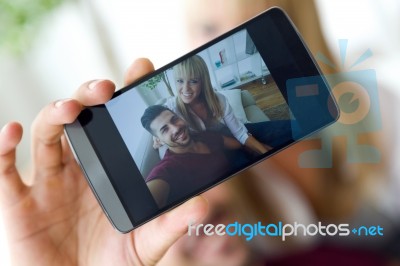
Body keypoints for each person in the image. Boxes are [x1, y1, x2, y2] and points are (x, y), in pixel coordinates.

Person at [0, 0, 398, 265]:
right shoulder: (205, 181)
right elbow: (167, 182)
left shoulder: (376, 105)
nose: (219, 43)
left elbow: (239, 135)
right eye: (205, 26)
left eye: (246, 24)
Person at [141, 104, 241, 208]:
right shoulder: (168, 168)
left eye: (174, 119)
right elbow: (146, 205)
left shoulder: (203, 136)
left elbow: (238, 144)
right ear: (159, 140)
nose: (175, 129)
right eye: (165, 130)